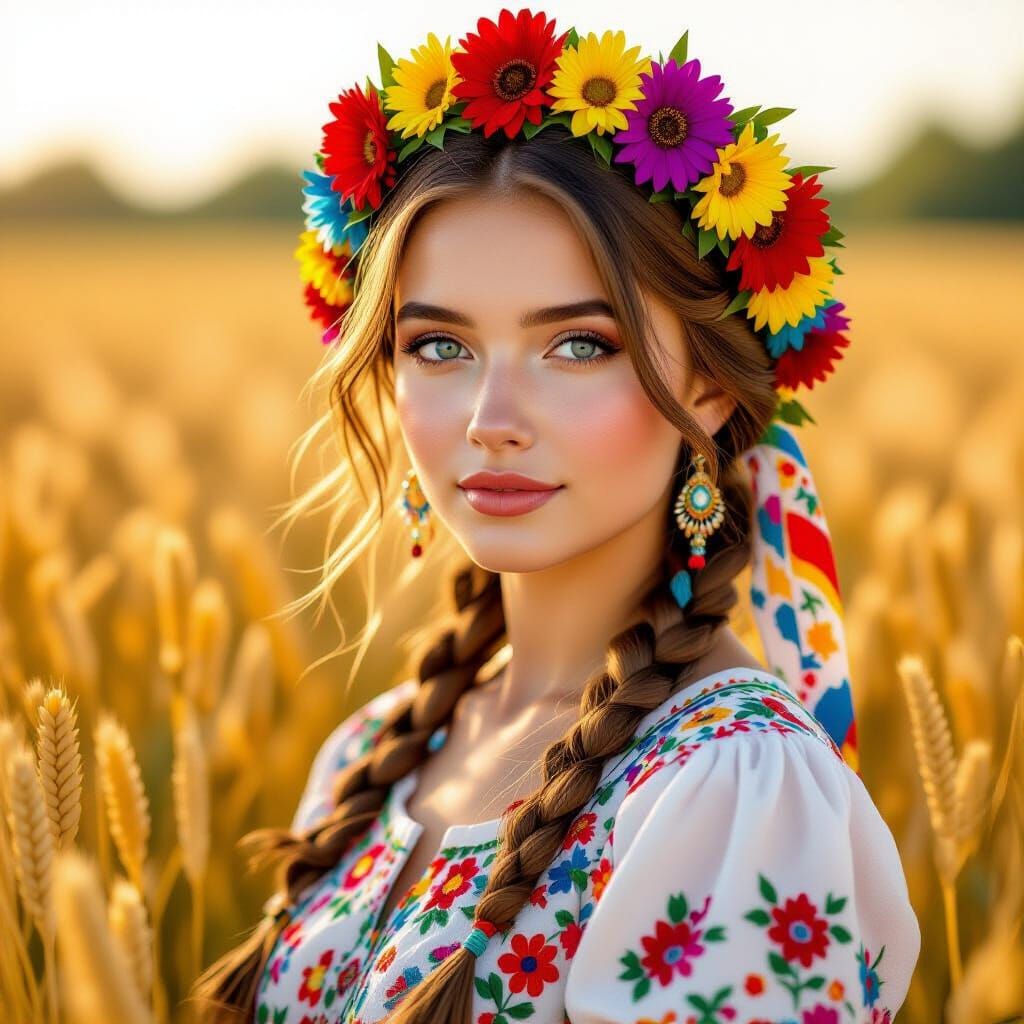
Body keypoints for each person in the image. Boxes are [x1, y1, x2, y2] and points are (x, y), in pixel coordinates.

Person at [192, 10, 921, 1023]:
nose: (491, 422)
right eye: (438, 348)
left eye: (577, 346)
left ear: (709, 388)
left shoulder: (733, 785)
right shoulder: (369, 754)